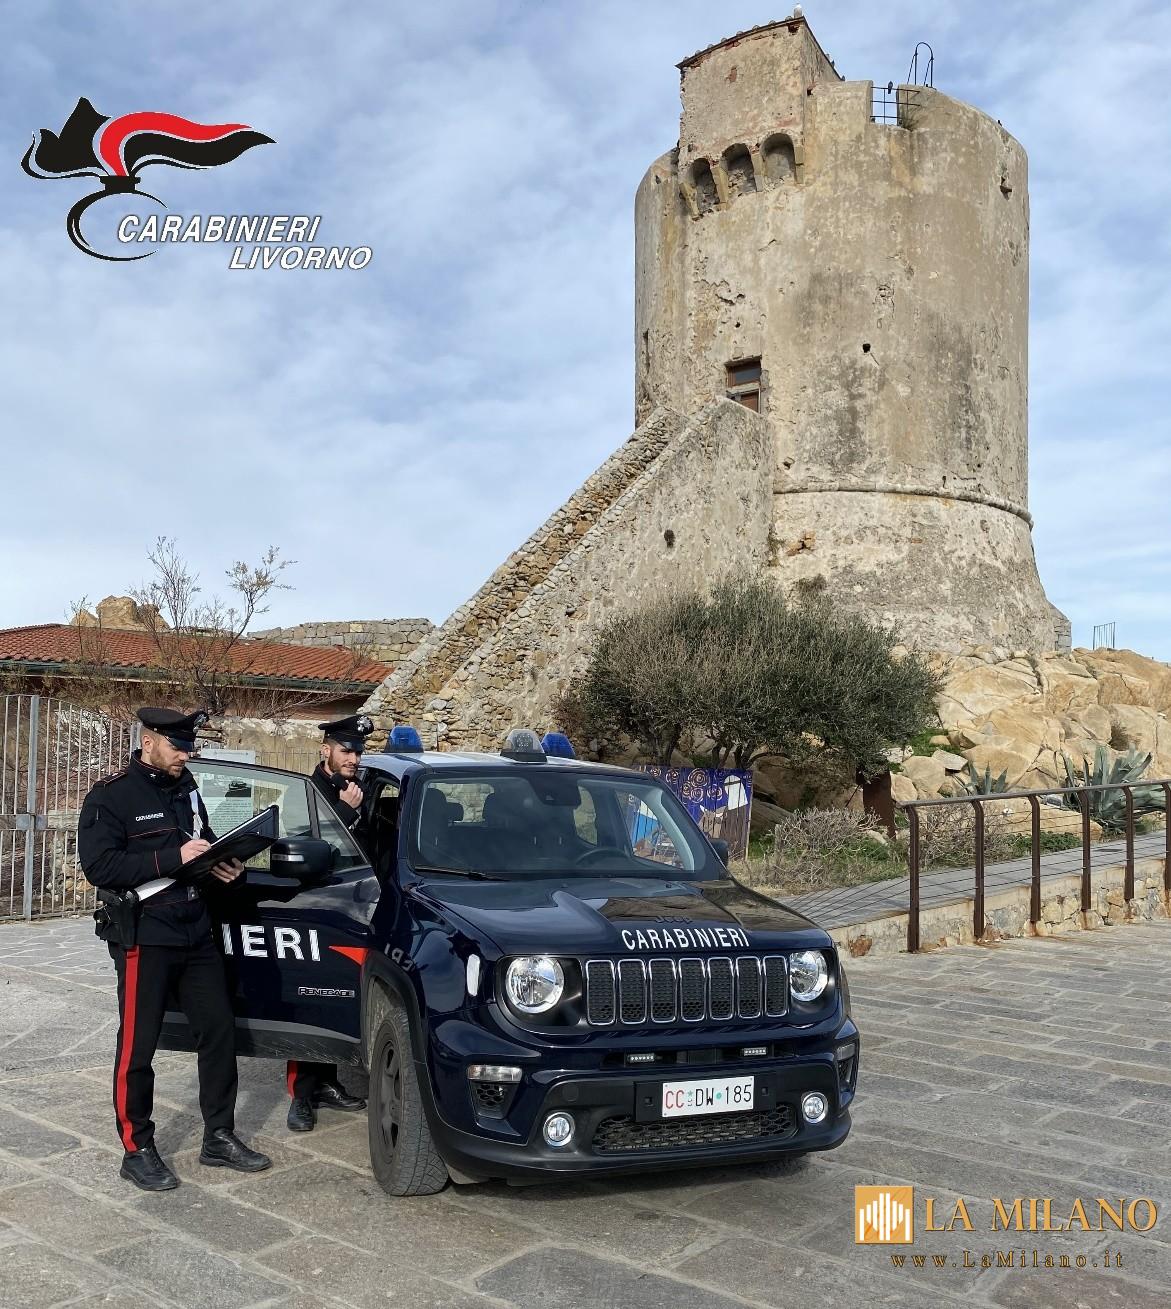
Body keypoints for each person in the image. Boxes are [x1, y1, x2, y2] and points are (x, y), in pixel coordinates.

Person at [78, 707, 272, 1191]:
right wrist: (171, 857)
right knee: (138, 1045)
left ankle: (219, 1136)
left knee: (219, 1032)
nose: (186, 754)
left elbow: (204, 844)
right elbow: (100, 867)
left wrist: (227, 868)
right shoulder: (111, 795)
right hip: (146, 934)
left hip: (196, 929)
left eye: (189, 747)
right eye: (177, 746)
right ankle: (137, 1148)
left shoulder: (187, 789)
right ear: (149, 742)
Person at [285, 713, 372, 1132]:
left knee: (337, 996)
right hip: (313, 907)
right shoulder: (307, 791)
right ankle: (301, 1095)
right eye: (346, 750)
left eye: (357, 752)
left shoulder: (357, 787)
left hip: (350, 909)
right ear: (326, 750)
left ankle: (327, 1082)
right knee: (308, 999)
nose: (353, 758)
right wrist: (344, 812)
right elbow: (306, 845)